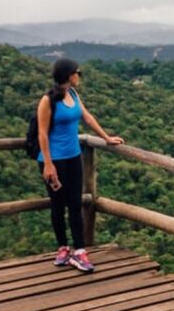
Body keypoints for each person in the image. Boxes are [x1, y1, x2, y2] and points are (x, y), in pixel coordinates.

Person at [37, 58, 124, 272]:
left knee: (75, 204)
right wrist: (48, 164)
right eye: (79, 72)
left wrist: (106, 137)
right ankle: (63, 248)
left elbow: (87, 118)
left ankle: (79, 252)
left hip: (74, 156)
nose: (80, 76)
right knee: (57, 206)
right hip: (53, 160)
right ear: (69, 75)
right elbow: (42, 133)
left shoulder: (74, 95)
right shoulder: (48, 100)